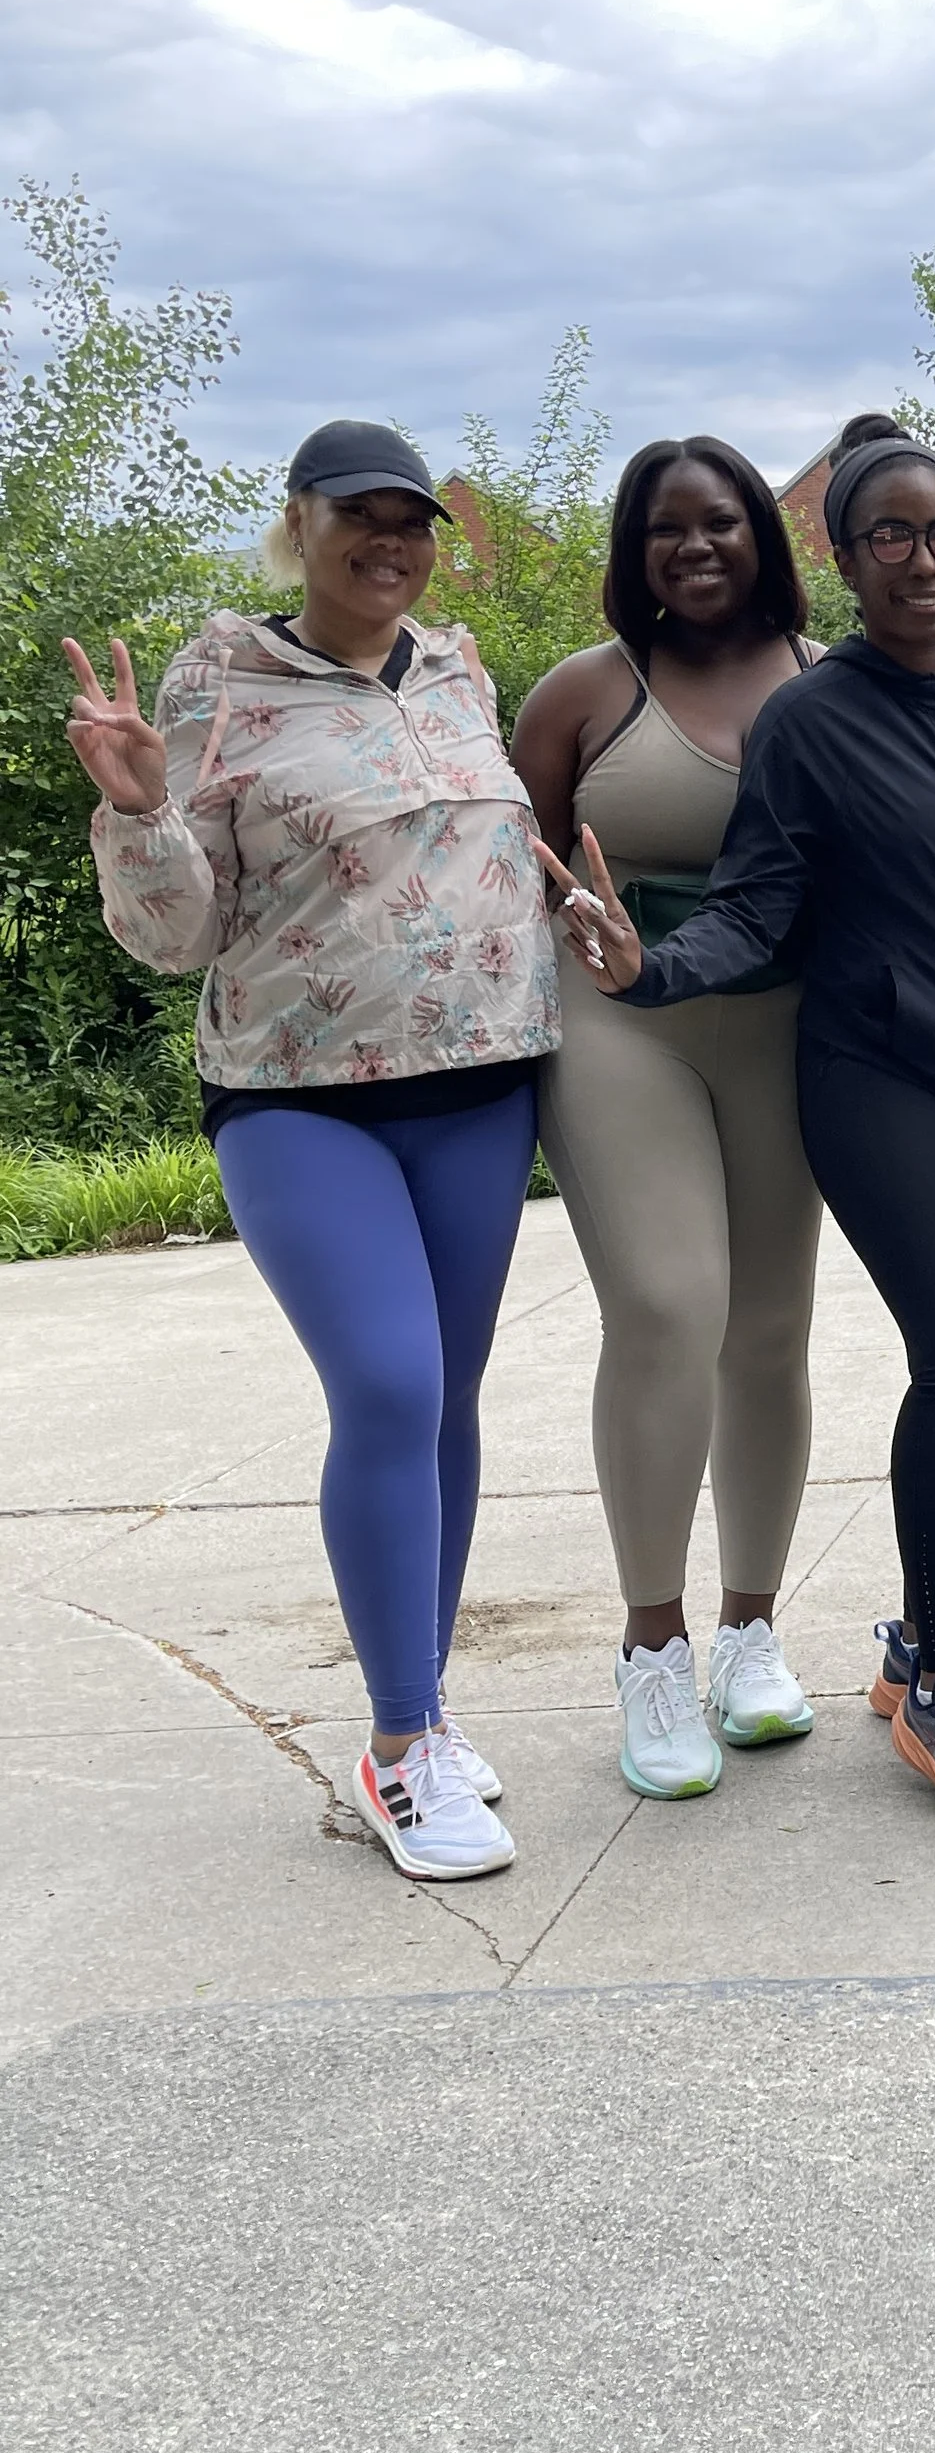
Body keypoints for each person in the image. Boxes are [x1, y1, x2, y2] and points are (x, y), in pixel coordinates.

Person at [543, 413, 935, 1827]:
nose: (921, 560)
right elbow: (759, 901)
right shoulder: (811, 717)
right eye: (888, 536)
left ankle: (915, 1643)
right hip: (878, 1077)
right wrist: (652, 968)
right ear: (839, 555)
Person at [68, 421, 559, 1883]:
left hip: (478, 1090)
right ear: (301, 525)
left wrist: (572, 924)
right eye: (362, 516)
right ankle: (399, 1751)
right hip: (298, 1098)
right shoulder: (221, 686)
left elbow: (483, 854)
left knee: (446, 1403)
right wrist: (140, 806)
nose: (392, 541)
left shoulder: (461, 669)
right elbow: (177, 939)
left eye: (413, 520)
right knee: (391, 1386)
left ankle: (430, 1707)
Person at [512, 438, 825, 1801]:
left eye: (719, 524)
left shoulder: (828, 679)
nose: (695, 549)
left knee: (768, 1329)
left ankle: (752, 1632)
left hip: (787, 1029)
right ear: (635, 555)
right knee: (669, 1305)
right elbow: (507, 863)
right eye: (664, 532)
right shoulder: (585, 692)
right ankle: (653, 1642)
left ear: (761, 532)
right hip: (618, 1027)